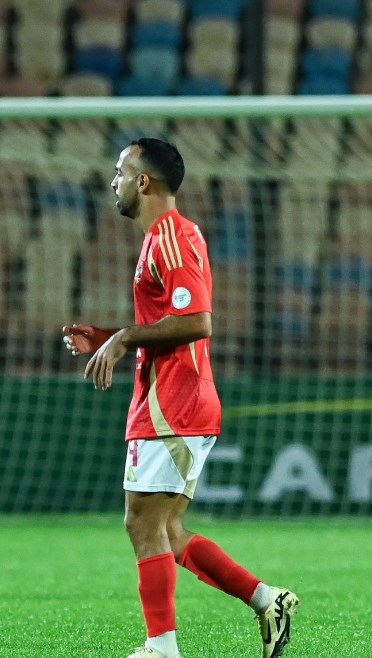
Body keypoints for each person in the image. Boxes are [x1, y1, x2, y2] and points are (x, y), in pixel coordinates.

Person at [62, 138, 299, 658]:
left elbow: (197, 321)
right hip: (169, 397)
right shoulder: (158, 240)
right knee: (165, 527)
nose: (114, 181)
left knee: (143, 523)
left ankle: (161, 646)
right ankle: (267, 599)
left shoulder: (173, 235)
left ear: (143, 181)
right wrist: (108, 334)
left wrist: (122, 338)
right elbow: (165, 323)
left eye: (121, 171)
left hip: (176, 401)